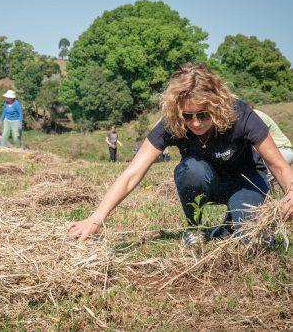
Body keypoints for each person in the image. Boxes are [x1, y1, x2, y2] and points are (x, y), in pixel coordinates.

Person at [68, 63, 293, 244]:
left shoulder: (240, 114)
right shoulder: (172, 122)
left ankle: (231, 224)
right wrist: (96, 218)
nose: (195, 123)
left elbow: (279, 165)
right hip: (204, 180)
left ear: (217, 104)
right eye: (188, 115)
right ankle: (195, 228)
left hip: (245, 181)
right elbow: (132, 173)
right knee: (191, 169)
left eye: (204, 114)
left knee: (253, 240)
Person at [253, 109, 293, 180]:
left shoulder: (252, 117)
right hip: (281, 150)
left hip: (280, 151)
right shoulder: (253, 113)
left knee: (256, 175)